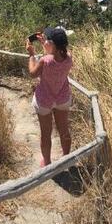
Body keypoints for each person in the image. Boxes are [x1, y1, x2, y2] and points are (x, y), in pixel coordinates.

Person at [26, 26, 72, 167]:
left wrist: (31, 55)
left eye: (46, 39)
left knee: (46, 134)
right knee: (64, 131)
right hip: (62, 98)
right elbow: (55, 56)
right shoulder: (68, 57)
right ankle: (66, 158)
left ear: (51, 44)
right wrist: (46, 45)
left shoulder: (44, 61)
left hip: (45, 100)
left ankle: (47, 162)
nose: (44, 40)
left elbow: (33, 73)